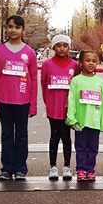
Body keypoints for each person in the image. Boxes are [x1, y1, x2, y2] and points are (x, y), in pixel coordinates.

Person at [0, 15, 38, 181]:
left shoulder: (29, 53)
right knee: (7, 134)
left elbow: (33, 78)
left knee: (22, 135)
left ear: (22, 30)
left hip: (23, 101)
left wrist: (33, 105)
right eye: (10, 27)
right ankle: (7, 168)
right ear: (6, 29)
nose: (13, 30)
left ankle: (20, 169)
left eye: (17, 27)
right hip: (4, 100)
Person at [65, 51, 103, 182]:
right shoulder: (76, 81)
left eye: (94, 61)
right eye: (87, 60)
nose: (91, 63)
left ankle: (90, 169)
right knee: (80, 146)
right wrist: (71, 119)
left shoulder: (100, 82)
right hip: (80, 122)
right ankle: (81, 169)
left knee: (93, 147)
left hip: (94, 122)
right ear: (81, 63)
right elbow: (71, 100)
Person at [39, 34, 77, 181]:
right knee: (54, 137)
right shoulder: (48, 65)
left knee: (66, 137)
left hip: (68, 109)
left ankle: (67, 166)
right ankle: (53, 166)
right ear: (54, 47)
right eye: (59, 45)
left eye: (65, 45)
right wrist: (47, 102)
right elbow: (43, 85)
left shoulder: (74, 65)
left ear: (69, 47)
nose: (62, 48)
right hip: (53, 108)